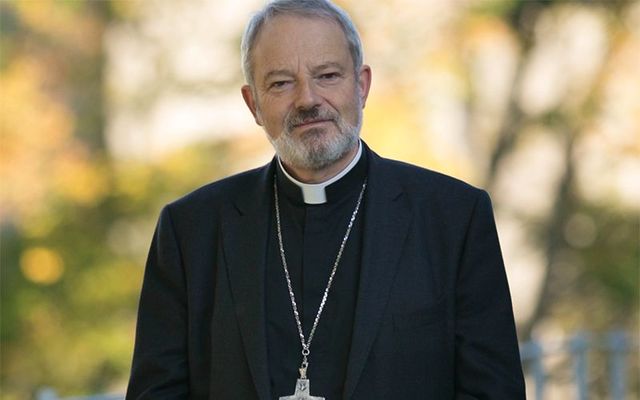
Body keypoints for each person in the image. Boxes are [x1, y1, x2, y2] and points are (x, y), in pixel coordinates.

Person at [126, 0, 525, 399]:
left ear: (362, 85)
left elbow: (493, 392)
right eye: (281, 83)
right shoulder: (191, 231)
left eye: (328, 75)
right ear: (254, 104)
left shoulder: (454, 219)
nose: (307, 99)